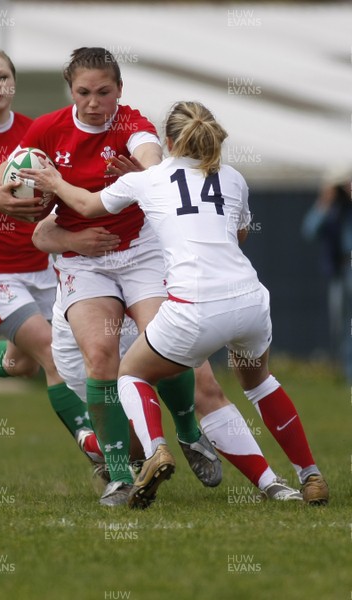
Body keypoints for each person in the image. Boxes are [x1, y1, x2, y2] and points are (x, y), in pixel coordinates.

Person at [20, 101, 328, 508]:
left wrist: (54, 182)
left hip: (196, 307)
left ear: (167, 142)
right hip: (250, 300)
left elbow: (86, 206)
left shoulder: (150, 179)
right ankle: (304, 477)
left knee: (130, 374)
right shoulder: (234, 178)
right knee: (260, 384)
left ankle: (157, 449)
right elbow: (237, 237)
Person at [0, 47, 226, 506]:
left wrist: (146, 173)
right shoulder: (48, 129)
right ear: (70, 90)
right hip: (84, 262)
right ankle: (120, 477)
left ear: (120, 90)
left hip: (139, 252)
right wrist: (3, 199)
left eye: (104, 91)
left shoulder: (131, 124)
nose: (94, 102)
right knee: (100, 354)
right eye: (83, 92)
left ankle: (190, 433)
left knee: (168, 341)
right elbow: (1, 183)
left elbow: (152, 156)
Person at [0, 46, 111, 466]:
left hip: (44, 267)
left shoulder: (34, 133)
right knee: (54, 353)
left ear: (14, 83)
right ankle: (99, 449)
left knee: (21, 365)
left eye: (2, 76)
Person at [301, 165, 352, 382]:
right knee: (341, 325)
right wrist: (325, 200)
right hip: (339, 271)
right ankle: (349, 375)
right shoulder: (331, 209)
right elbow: (309, 231)